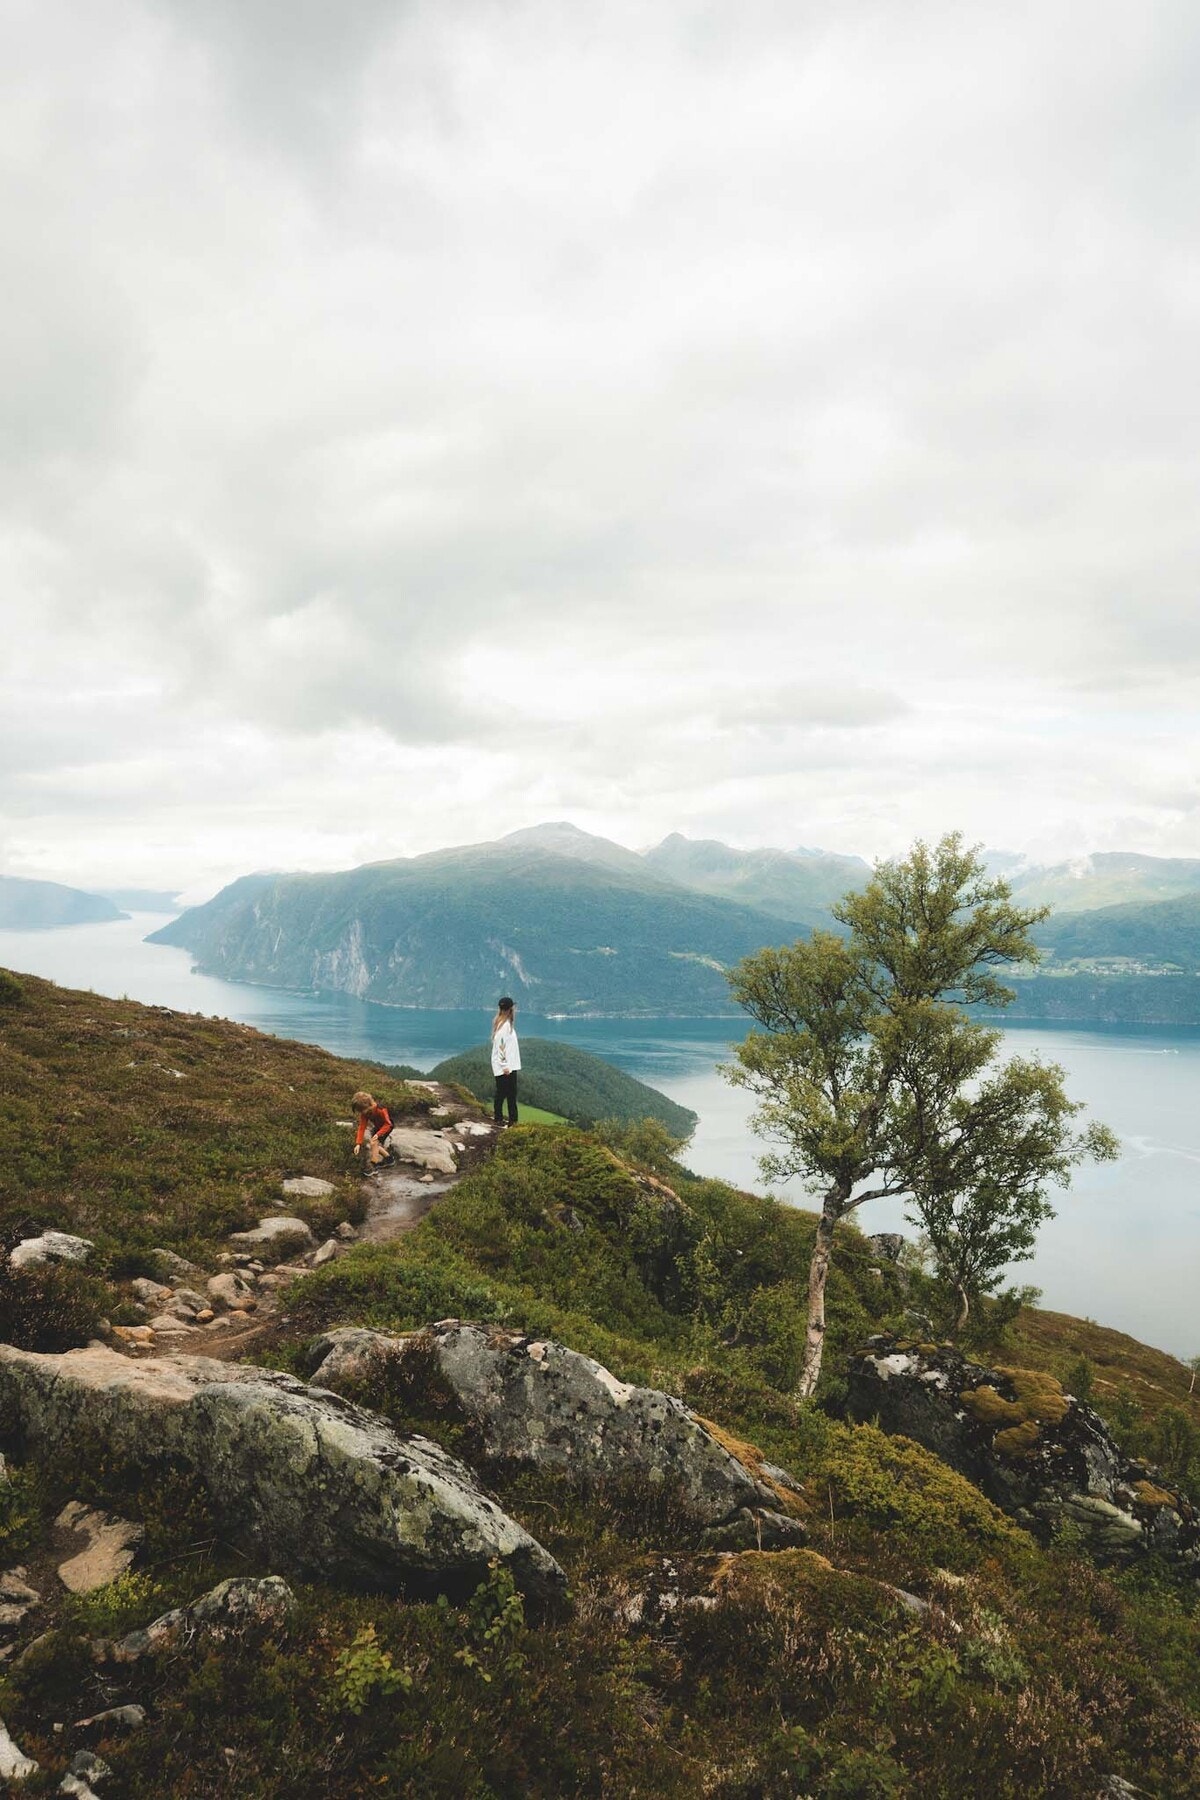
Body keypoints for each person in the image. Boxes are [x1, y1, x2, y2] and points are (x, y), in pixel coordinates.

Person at [490, 996, 521, 1127]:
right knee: (509, 1094)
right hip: (506, 1067)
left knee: (502, 1093)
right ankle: (512, 1122)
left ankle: (499, 1118)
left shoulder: (501, 1024)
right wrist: (505, 1066)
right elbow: (502, 1047)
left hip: (505, 1066)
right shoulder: (505, 1026)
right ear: (510, 1009)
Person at [350, 1090, 393, 1166]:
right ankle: (389, 1160)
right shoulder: (365, 1113)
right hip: (378, 1127)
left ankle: (373, 1165)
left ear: (369, 1105)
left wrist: (378, 1134)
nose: (362, 1113)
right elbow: (362, 1127)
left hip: (387, 1127)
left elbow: (388, 1124)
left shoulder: (381, 1109)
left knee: (374, 1143)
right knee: (374, 1145)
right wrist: (358, 1144)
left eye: (362, 1110)